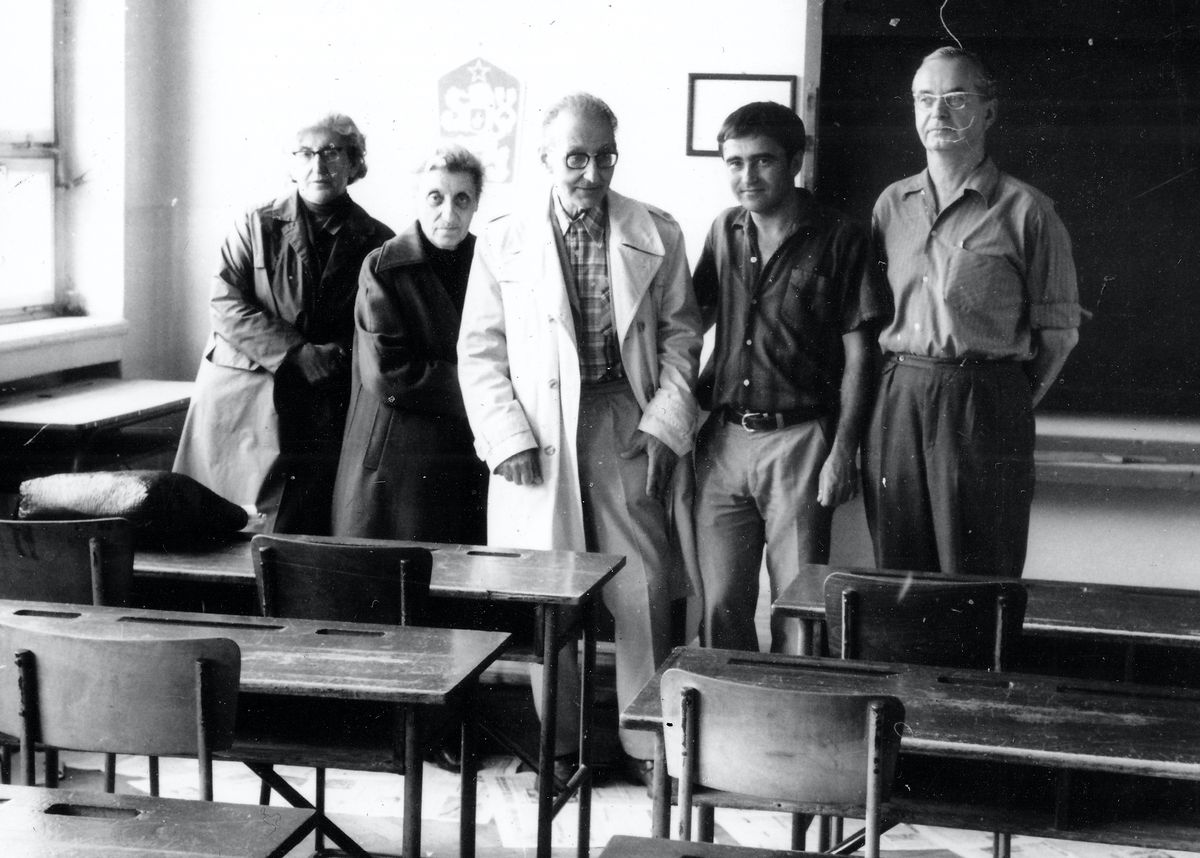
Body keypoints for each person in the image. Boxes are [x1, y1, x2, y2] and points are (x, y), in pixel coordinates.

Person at [457, 92, 702, 779]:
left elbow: (683, 339)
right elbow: (479, 350)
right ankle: (560, 746)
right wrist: (507, 436)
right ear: (544, 159)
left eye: (604, 157)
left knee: (643, 587)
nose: (591, 173)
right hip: (538, 430)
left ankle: (648, 746)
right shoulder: (502, 237)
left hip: (624, 419)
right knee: (550, 590)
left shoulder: (657, 231)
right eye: (575, 158)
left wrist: (665, 425)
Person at [863, 46, 1080, 578]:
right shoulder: (891, 204)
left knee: (977, 573)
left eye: (956, 98)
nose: (937, 112)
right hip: (898, 397)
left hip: (983, 401)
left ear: (989, 111)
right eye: (925, 99)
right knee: (898, 572)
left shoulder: (1028, 211)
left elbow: (1059, 337)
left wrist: (1000, 400)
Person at [692, 102, 890, 654]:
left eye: (763, 161)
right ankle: (728, 709)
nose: (747, 177)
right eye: (734, 163)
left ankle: (794, 709)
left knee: (799, 608)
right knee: (719, 602)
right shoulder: (724, 230)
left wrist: (842, 452)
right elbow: (687, 323)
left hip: (800, 441)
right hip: (725, 440)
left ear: (796, 160)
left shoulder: (842, 237)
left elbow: (861, 357)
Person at [174, 113, 393, 536]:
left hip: (328, 397)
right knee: (227, 528)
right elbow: (225, 302)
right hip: (247, 399)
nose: (318, 165)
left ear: (354, 162)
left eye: (332, 153)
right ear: (291, 164)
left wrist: (336, 354)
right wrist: (295, 352)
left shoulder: (379, 239)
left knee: (307, 526)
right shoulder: (255, 224)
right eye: (305, 153)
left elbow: (382, 320)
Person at [331, 144, 487, 543]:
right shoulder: (383, 265)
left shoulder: (490, 262)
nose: (449, 213)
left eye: (462, 199)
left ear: (476, 204)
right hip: (396, 466)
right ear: (417, 199)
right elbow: (389, 375)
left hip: (466, 457)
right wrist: (486, 387)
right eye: (436, 197)